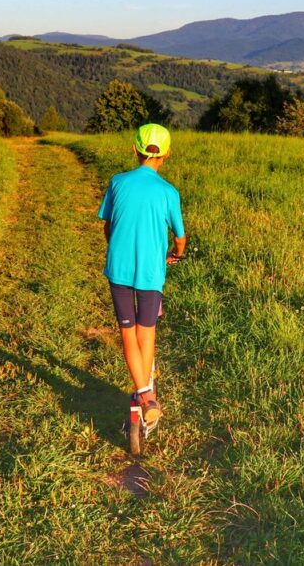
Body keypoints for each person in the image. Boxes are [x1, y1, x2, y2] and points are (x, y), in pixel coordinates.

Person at [98, 123, 186, 430]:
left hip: (119, 268)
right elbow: (180, 237)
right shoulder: (168, 192)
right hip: (151, 271)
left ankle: (144, 392)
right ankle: (147, 396)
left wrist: (117, 246)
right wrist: (175, 254)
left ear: (134, 149)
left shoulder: (117, 182)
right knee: (146, 332)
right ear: (167, 154)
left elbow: (108, 225)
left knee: (127, 332)